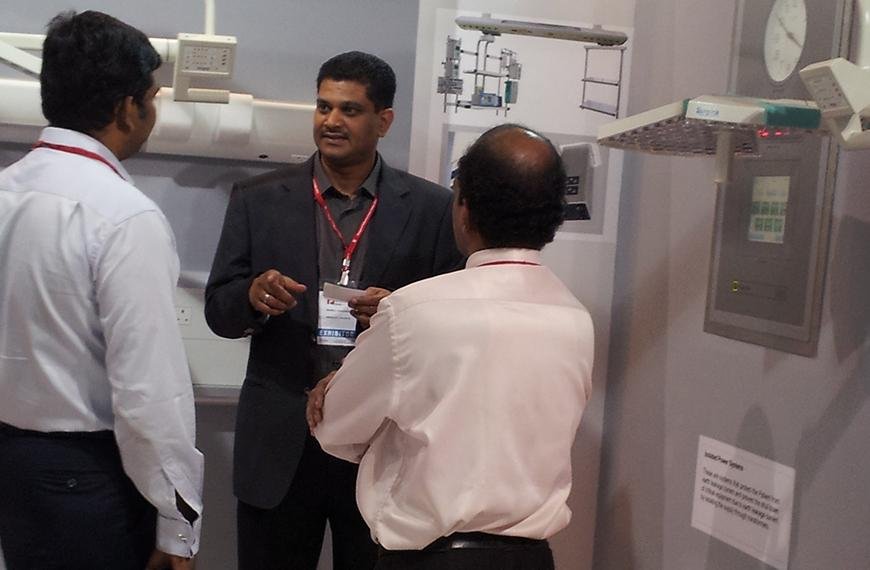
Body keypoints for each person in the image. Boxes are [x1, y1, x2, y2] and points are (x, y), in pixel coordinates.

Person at [204, 51, 463, 569]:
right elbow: (219, 310)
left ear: (384, 121)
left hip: (380, 445)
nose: (331, 121)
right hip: (280, 443)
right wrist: (252, 297)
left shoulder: (433, 209)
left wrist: (400, 313)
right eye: (323, 107)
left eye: (350, 109)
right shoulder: (258, 199)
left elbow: (454, 324)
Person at [307, 124, 595, 570]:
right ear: (555, 217)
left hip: (430, 560)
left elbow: (336, 428)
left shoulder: (413, 312)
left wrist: (336, 390)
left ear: (464, 209)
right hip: (532, 560)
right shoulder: (576, 319)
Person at [0, 10, 202, 570]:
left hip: (13, 467)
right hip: (88, 479)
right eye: (153, 98)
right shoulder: (124, 217)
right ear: (126, 107)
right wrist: (178, 521)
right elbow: (150, 393)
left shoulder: (5, 192)